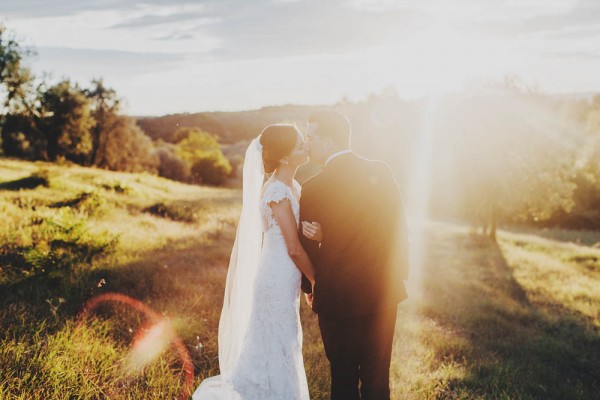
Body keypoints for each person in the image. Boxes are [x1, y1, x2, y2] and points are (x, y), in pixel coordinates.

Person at [193, 124, 319, 400]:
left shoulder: (292, 186)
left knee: (281, 341)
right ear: (285, 157)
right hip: (276, 277)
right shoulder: (277, 192)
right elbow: (294, 248)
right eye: (300, 145)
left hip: (283, 276)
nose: (306, 147)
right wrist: (316, 281)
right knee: (276, 342)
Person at [300, 111, 409, 400]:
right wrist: (400, 274)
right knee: (377, 380)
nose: (306, 144)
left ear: (327, 141)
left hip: (337, 296)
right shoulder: (381, 171)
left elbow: (306, 246)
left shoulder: (312, 188)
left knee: (343, 379)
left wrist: (310, 287)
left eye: (310, 137)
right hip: (383, 292)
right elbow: (399, 225)